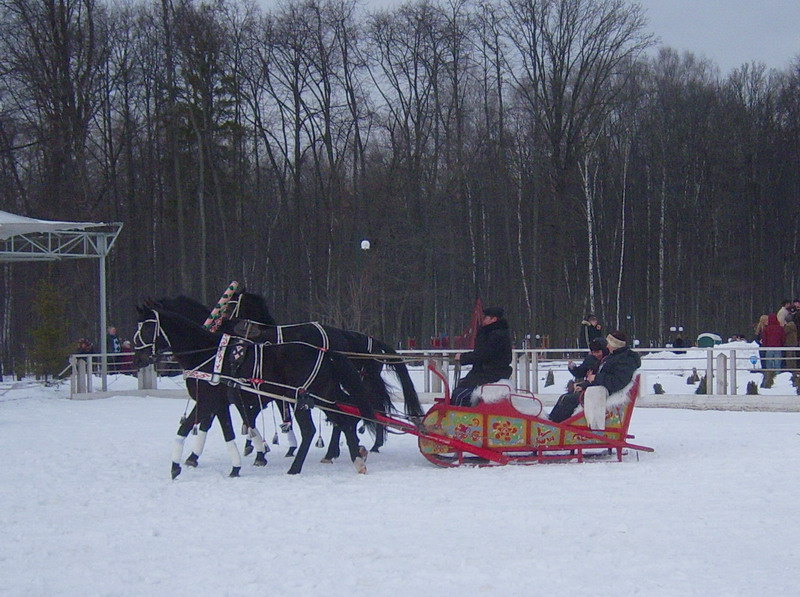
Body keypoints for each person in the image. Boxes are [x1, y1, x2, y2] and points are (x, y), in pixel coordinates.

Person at [549, 330, 640, 424]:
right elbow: (601, 377)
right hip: (598, 392)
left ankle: (554, 426)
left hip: (601, 395)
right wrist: (584, 385)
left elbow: (616, 382)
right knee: (565, 397)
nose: (607, 346)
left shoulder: (625, 360)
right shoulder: (615, 357)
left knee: (568, 400)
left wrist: (595, 378)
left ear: (615, 345)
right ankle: (553, 423)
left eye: (609, 344)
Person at [451, 307, 512, 407]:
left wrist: (463, 358)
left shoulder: (496, 335)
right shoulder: (494, 333)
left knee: (461, 393)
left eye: (486, 317)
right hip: (487, 372)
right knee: (461, 387)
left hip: (490, 374)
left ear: (494, 319)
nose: (484, 320)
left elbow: (483, 354)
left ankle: (462, 412)